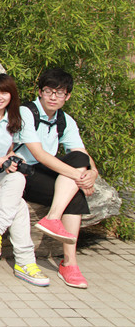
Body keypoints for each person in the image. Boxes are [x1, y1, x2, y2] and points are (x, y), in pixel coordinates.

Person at [15, 68, 99, 289]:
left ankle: (67, 256)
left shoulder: (65, 120)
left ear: (67, 96)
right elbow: (39, 154)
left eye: (59, 93)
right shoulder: (26, 112)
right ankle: (68, 262)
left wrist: (92, 173)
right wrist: (79, 177)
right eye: (48, 91)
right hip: (22, 172)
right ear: (40, 92)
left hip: (46, 171)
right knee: (76, 194)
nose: (53, 97)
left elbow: (81, 152)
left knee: (80, 159)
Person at [0, 73, 50, 286]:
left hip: (1, 174)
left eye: (3, 92)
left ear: (11, 95)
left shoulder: (14, 119)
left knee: (19, 178)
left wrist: (13, 159)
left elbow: (10, 149)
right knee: (19, 207)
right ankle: (25, 263)